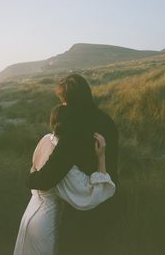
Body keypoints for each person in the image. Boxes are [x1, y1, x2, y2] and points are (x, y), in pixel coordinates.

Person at [25, 74, 119, 255]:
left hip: (83, 212)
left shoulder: (75, 125)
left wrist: (30, 179)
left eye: (63, 100)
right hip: (110, 202)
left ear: (68, 100)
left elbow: (53, 172)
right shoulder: (107, 121)